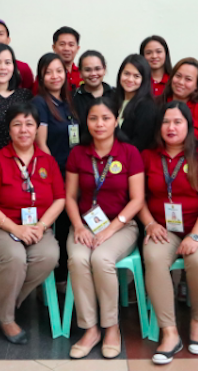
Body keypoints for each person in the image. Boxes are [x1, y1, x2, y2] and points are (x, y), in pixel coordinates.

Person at [139, 101, 198, 364]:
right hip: (163, 228)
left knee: (197, 259)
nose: (171, 127)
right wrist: (150, 224)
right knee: (153, 258)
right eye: (166, 122)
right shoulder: (148, 155)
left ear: (189, 126)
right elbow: (138, 198)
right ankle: (170, 331)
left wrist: (196, 236)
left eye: (177, 122)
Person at [0, 102, 66, 344]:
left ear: (37, 129)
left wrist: (41, 226)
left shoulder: (47, 160)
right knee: (15, 258)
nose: (23, 130)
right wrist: (14, 228)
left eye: (29, 124)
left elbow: (60, 199)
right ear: (9, 130)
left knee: (49, 255)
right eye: (17, 124)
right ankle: (7, 319)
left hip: (36, 227)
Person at [64, 97, 145, 359]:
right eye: (93, 118)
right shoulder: (78, 153)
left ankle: (111, 327)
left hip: (121, 226)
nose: (100, 124)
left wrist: (109, 230)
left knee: (101, 258)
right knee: (77, 258)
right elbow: (70, 197)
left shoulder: (129, 152)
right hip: (84, 226)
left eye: (106, 118)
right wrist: (78, 226)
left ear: (115, 121)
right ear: (86, 122)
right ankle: (90, 329)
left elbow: (137, 200)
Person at [32, 52, 78, 286]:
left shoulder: (68, 101)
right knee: (59, 224)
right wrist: (56, 176)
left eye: (59, 71)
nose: (55, 76)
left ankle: (68, 274)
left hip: (73, 172)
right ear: (41, 76)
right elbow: (41, 144)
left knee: (71, 222)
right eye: (49, 71)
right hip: (55, 174)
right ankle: (58, 279)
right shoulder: (39, 103)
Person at [114, 54, 159, 151]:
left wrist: (116, 128)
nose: (130, 79)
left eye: (136, 76)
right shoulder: (113, 98)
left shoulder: (147, 107)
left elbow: (139, 145)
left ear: (144, 79)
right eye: (126, 74)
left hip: (131, 161)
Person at [73, 50, 114, 138]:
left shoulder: (116, 94)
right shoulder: (72, 98)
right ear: (80, 73)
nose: (93, 74)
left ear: (104, 70)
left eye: (97, 69)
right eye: (88, 70)